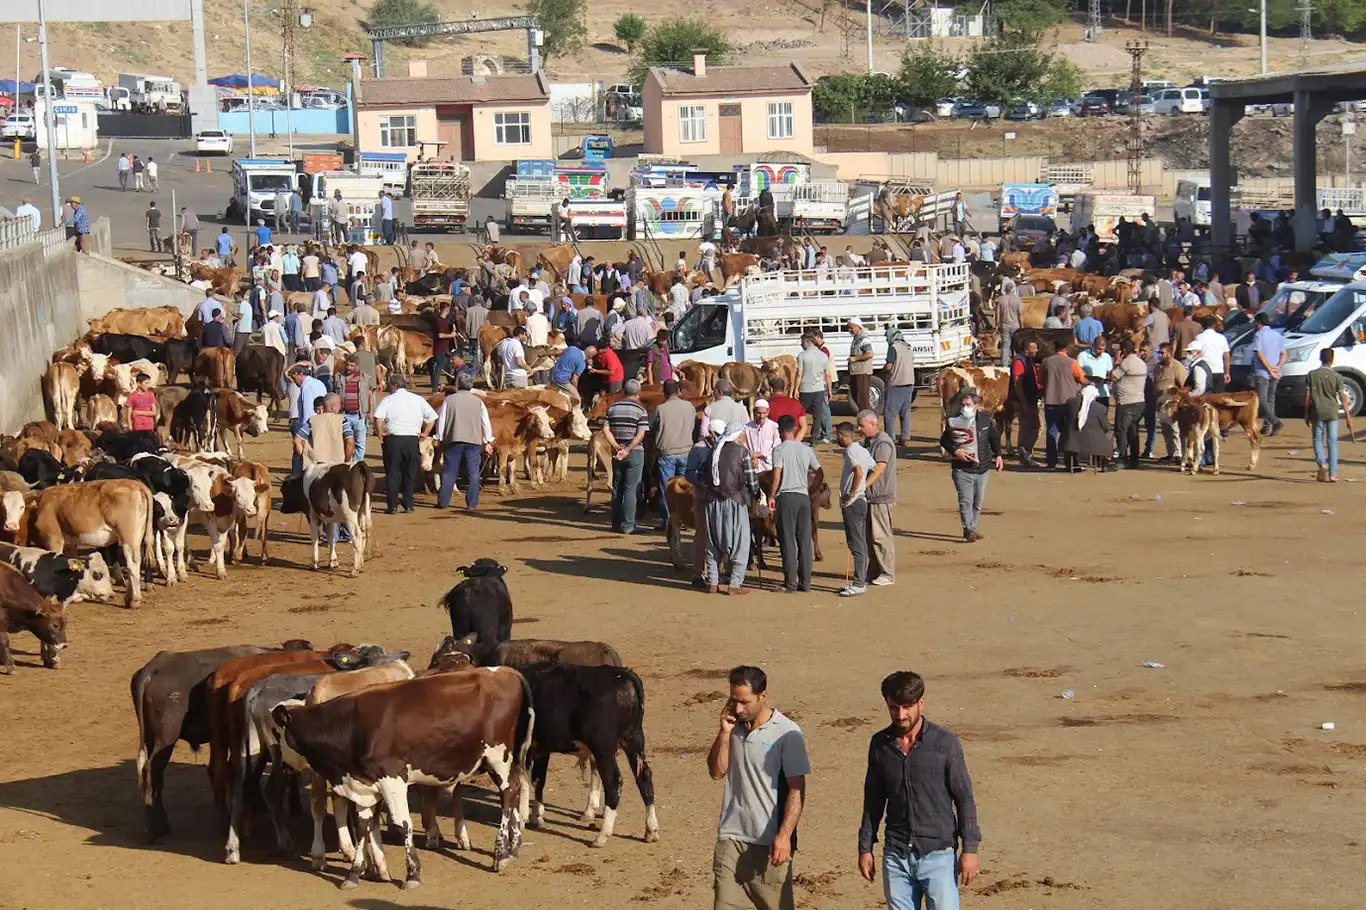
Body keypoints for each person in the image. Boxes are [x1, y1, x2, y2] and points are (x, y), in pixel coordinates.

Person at [858, 671, 981, 910]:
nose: (901, 715)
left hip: (938, 854)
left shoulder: (945, 743)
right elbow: (873, 800)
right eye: (894, 708)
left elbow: (964, 798)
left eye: (907, 707)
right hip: (897, 853)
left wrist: (970, 849)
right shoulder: (880, 744)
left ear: (921, 703)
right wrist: (865, 848)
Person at [708, 666, 808, 910]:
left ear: (763, 696)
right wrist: (724, 733)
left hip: (770, 845)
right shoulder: (734, 728)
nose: (739, 709)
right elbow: (716, 771)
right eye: (734, 700)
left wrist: (784, 836)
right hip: (731, 839)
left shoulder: (787, 734)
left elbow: (797, 789)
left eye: (745, 702)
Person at [698, 417, 760, 595]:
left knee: (713, 543)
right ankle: (735, 584)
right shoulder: (742, 452)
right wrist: (756, 495)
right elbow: (752, 480)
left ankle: (713, 582)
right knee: (740, 542)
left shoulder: (713, 451)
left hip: (712, 503)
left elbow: (701, 476)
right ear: (738, 436)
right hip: (735, 502)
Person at [768, 415, 820, 593]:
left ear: (780, 431)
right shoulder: (806, 449)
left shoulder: (779, 450)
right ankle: (805, 583)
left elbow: (776, 476)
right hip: (803, 497)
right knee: (804, 541)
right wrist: (812, 489)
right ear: (795, 429)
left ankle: (790, 583)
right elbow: (819, 472)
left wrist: (771, 496)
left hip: (787, 497)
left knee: (788, 540)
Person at [373, 374, 437, 513]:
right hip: (411, 440)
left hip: (393, 439)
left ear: (394, 386)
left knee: (393, 472)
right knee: (410, 472)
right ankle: (408, 504)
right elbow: (432, 418)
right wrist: (425, 433)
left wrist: (379, 432)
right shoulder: (418, 399)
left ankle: (392, 505)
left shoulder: (388, 399)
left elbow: (378, 417)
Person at [435, 373, 494, 509]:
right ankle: (472, 503)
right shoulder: (478, 402)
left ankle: (443, 501)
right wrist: (488, 440)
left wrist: (439, 437)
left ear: (457, 385)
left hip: (453, 440)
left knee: (450, 471)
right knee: (473, 472)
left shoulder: (449, 400)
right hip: (473, 441)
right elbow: (485, 422)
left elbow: (442, 420)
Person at [606, 380, 650, 535]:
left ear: (624, 391)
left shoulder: (612, 408)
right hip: (635, 452)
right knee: (631, 489)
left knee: (617, 488)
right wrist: (628, 449)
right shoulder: (641, 410)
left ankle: (615, 523)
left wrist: (616, 446)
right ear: (638, 393)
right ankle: (628, 525)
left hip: (616, 452)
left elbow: (606, 430)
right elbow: (641, 434)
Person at [837, 421, 876, 597]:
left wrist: (851, 493)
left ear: (842, 436)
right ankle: (859, 580)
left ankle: (859, 583)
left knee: (856, 542)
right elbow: (875, 469)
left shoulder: (852, 451)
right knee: (859, 541)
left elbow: (859, 472)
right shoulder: (862, 450)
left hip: (853, 503)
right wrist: (863, 488)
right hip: (861, 501)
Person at [1305, 348, 1355, 482]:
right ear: (1332, 360)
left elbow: (1308, 396)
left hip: (1317, 411)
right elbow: (1342, 397)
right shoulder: (1337, 377)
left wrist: (1306, 413)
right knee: (1332, 442)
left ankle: (1322, 464)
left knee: (1317, 440)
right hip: (1332, 411)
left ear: (1320, 358)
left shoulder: (1312, 375)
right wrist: (1348, 416)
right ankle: (1333, 474)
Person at [651, 380, 695, 531]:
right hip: (686, 452)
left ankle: (668, 520)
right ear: (679, 391)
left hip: (667, 452)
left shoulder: (660, 409)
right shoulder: (689, 407)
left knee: (667, 489)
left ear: (664, 392)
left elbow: (651, 427)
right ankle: (686, 519)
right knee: (686, 489)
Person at [859, 410, 896, 587]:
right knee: (869, 537)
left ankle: (887, 572)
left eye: (862, 426)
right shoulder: (869, 442)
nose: (859, 429)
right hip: (870, 497)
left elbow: (879, 469)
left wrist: (861, 486)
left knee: (881, 537)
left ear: (873, 424)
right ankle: (873, 571)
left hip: (881, 496)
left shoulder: (883, 443)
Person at [1041, 342, 1087, 472]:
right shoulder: (1071, 362)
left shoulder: (1046, 362)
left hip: (1050, 400)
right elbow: (1082, 379)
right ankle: (1069, 463)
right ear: (1066, 349)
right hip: (1068, 402)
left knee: (1051, 432)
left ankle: (1051, 463)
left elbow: (1041, 380)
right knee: (1069, 433)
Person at [1110, 340, 1147, 470]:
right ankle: (1134, 459)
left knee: (1121, 430)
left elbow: (1112, 376)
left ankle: (1120, 458)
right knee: (1133, 431)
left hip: (1127, 402)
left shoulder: (1126, 362)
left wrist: (1116, 361)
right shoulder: (1141, 362)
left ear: (1123, 351)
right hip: (1139, 401)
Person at [1250, 312, 1286, 437]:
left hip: (1263, 371)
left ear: (1259, 323)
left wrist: (1269, 369)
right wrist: (1278, 367)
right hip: (1276, 372)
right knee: (1270, 399)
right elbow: (1284, 354)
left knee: (1261, 400)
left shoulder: (1258, 335)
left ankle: (1274, 422)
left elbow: (1259, 354)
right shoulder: (1277, 335)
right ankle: (1268, 426)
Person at [288, 365, 329, 474]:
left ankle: (297, 477)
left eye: (294, 377)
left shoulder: (306, 387)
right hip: (323, 422)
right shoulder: (319, 383)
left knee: (299, 453)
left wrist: (304, 433)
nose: (293, 381)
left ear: (300, 374)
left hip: (309, 425)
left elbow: (307, 411)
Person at [294, 393, 353, 466]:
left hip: (315, 467)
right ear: (333, 406)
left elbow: (297, 440)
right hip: (337, 467)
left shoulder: (311, 420)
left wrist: (305, 456)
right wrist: (347, 462)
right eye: (340, 404)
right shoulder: (343, 420)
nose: (340, 407)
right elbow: (350, 442)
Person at [1009, 340, 1041, 466]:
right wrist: (1023, 402)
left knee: (1033, 426)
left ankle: (1025, 453)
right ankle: (1024, 452)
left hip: (1030, 399)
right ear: (1027, 349)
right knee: (1028, 426)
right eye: (1034, 348)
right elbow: (1017, 382)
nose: (1037, 350)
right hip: (1024, 400)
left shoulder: (1028, 360)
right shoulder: (1019, 361)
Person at [883, 328, 916, 448]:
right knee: (905, 412)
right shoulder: (908, 347)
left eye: (887, 337)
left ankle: (890, 438)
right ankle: (905, 438)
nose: (887, 339)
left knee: (889, 413)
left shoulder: (893, 348)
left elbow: (889, 366)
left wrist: (883, 371)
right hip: (910, 382)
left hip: (897, 382)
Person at [1185, 315, 1231, 392]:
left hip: (1204, 371)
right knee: (1218, 398)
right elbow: (1226, 356)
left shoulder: (1199, 337)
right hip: (1219, 370)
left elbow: (1196, 352)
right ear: (1214, 325)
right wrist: (1227, 372)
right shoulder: (1221, 338)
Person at [1077, 335, 1113, 421]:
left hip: (1102, 394)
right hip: (1088, 393)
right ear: (1093, 346)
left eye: (1103, 349)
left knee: (1102, 418)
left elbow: (1109, 373)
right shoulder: (1083, 356)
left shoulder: (1107, 357)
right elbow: (1078, 374)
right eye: (1099, 349)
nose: (1101, 352)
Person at [847, 318, 875, 412]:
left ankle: (867, 420)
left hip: (862, 372)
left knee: (862, 399)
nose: (849, 330)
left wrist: (855, 358)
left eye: (851, 327)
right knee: (857, 398)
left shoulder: (864, 340)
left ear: (858, 327)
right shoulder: (856, 340)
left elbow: (870, 354)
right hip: (856, 372)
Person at [430, 300, 456, 391]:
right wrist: (451, 335)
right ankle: (434, 388)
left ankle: (451, 387)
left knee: (448, 368)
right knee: (439, 368)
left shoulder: (446, 321)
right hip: (440, 348)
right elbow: (440, 335)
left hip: (445, 348)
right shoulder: (439, 321)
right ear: (445, 309)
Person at [996, 284, 1022, 367]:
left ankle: (1004, 364)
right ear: (1013, 290)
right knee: (1015, 344)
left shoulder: (1000, 299)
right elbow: (1020, 314)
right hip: (1015, 324)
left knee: (1005, 345)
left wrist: (997, 325)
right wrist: (1022, 326)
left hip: (1004, 324)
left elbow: (997, 314)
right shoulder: (1017, 300)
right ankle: (1016, 362)